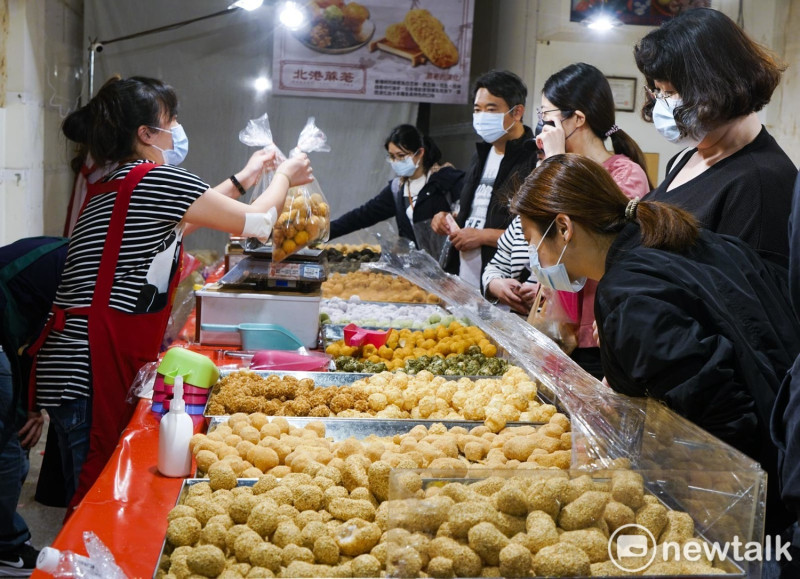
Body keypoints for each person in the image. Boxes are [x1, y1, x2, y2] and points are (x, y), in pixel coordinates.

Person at [31, 75, 314, 513]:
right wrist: (282, 177)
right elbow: (258, 223)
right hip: (90, 365)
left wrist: (246, 177)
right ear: (146, 134)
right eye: (171, 120)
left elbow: (187, 219)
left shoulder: (117, 181)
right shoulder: (155, 178)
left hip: (73, 362)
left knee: (92, 486)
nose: (177, 127)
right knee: (97, 495)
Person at [512, 153, 800, 536]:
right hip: (780, 434)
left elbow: (719, 415)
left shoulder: (628, 296)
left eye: (534, 242)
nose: (536, 258)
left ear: (564, 227)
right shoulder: (667, 240)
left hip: (757, 491)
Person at [484, 63, 651, 378]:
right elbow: (545, 243)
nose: (542, 130)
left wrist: (558, 162)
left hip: (595, 334)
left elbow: (582, 237)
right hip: (556, 326)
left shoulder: (625, 175)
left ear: (577, 119)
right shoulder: (548, 165)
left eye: (547, 118)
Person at [634, 7, 794, 268]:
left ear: (720, 85)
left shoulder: (762, 183)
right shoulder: (685, 158)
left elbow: (743, 299)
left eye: (672, 91)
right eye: (658, 90)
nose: (662, 104)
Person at [432, 70, 537, 289]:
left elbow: (536, 235)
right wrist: (449, 218)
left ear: (517, 112)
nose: (481, 117)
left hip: (506, 283)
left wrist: (483, 236)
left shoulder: (534, 159)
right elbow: (477, 210)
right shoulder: (481, 154)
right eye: (477, 110)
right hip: (464, 276)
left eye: (491, 109)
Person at [0, 237, 68, 576]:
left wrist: (31, 407)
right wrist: (31, 408)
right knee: (9, 451)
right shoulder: (76, 268)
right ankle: (7, 549)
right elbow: (40, 344)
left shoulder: (65, 252)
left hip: (9, 337)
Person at [328, 124, 464, 258]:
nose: (396, 161)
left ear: (420, 153)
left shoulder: (447, 180)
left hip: (450, 266)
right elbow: (361, 216)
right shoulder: (398, 189)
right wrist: (324, 233)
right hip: (418, 269)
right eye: (392, 157)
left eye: (401, 155)